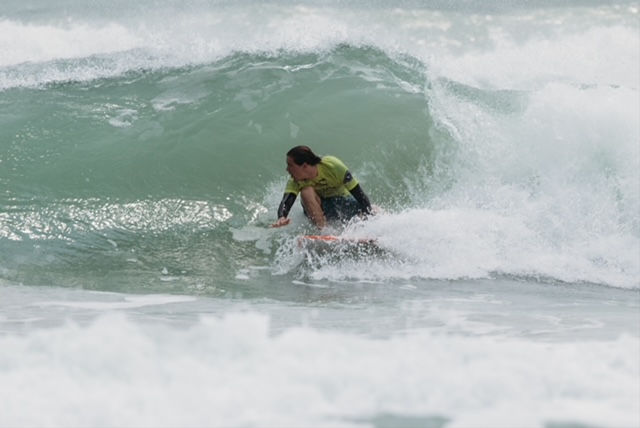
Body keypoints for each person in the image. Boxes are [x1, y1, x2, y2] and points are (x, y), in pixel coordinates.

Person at [271, 145, 373, 229]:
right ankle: (324, 231)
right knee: (306, 191)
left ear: (305, 166)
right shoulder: (295, 181)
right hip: (319, 209)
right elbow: (286, 201)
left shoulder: (333, 166)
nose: (287, 169)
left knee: (371, 210)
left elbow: (360, 195)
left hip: (342, 202)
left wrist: (365, 221)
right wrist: (282, 217)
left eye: (290, 165)